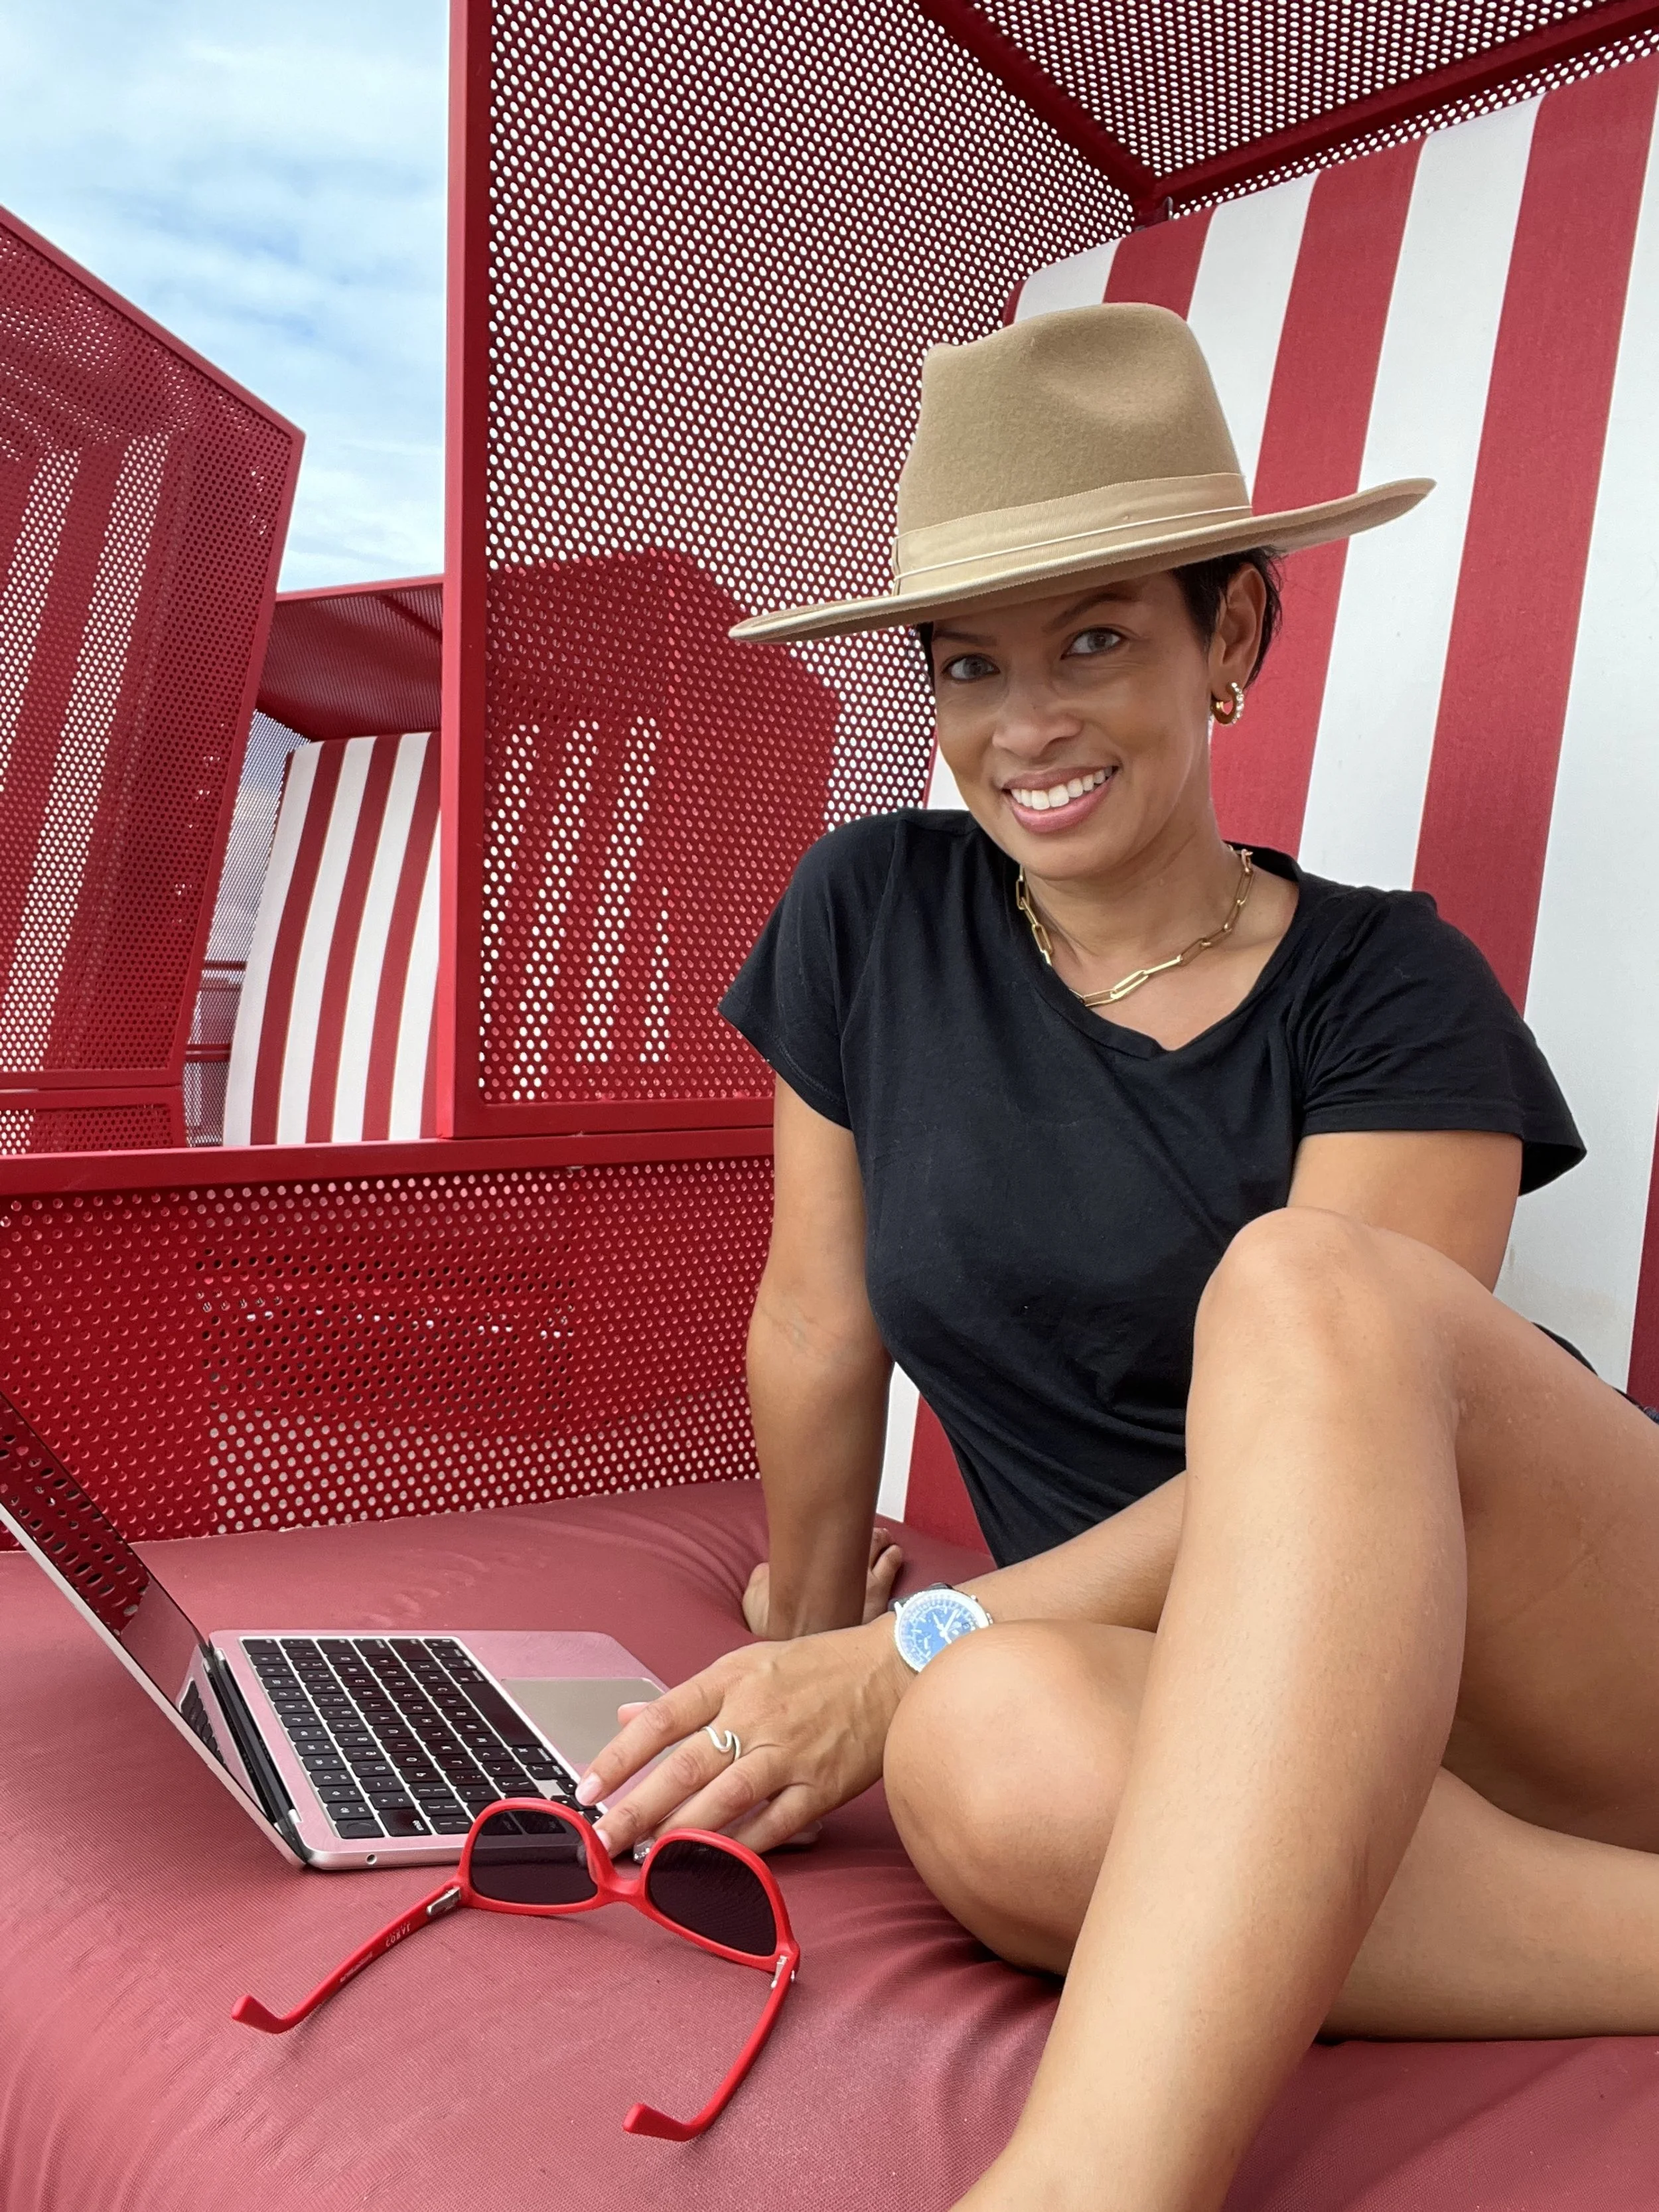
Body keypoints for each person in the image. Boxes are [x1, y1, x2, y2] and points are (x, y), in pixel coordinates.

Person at [572, 303, 1659, 2212]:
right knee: (981, 1757)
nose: (1026, 726)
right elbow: (816, 1318)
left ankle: (1090, 2178)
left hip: (1554, 1656)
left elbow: (1322, 1451)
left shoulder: (1390, 988)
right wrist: (815, 1646)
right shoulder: (868, 912)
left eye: (1093, 638)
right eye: (968, 664)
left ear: (1227, 637)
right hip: (1246, 1744)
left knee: (1296, 1291)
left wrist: (907, 1644)